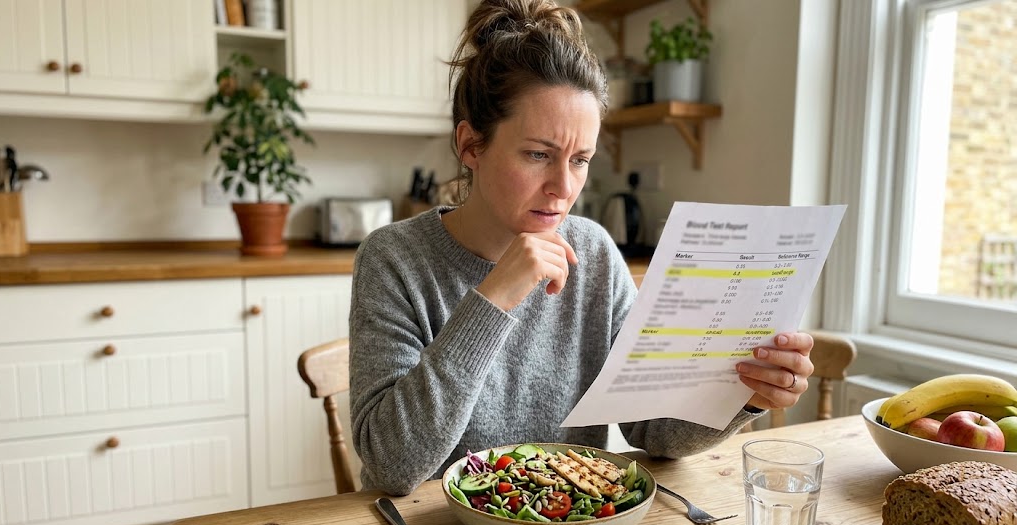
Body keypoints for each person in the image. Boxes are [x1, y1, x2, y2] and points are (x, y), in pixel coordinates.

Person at [349, 0, 815, 496]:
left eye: (580, 159)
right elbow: (392, 466)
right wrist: (492, 301)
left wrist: (743, 392)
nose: (562, 187)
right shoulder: (393, 259)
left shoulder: (592, 251)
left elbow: (651, 431)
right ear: (470, 146)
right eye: (538, 155)